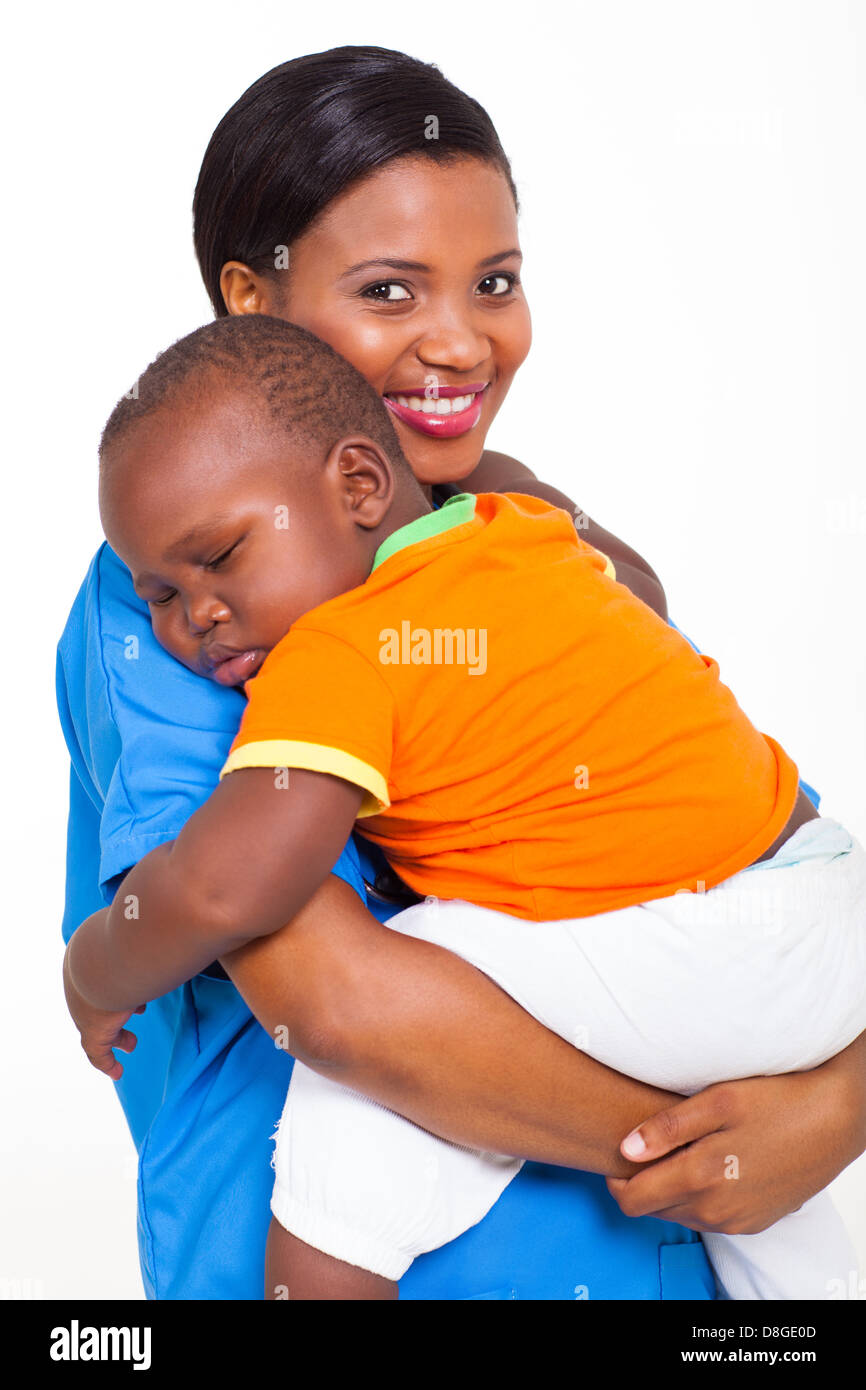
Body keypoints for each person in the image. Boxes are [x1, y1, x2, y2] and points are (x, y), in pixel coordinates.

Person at [58, 47, 866, 1301]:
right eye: (388, 289)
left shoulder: (503, 544)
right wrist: (720, 1146)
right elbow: (334, 999)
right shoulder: (186, 607)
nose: (457, 339)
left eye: (493, 281)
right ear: (251, 304)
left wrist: (831, 1106)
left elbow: (737, 845)